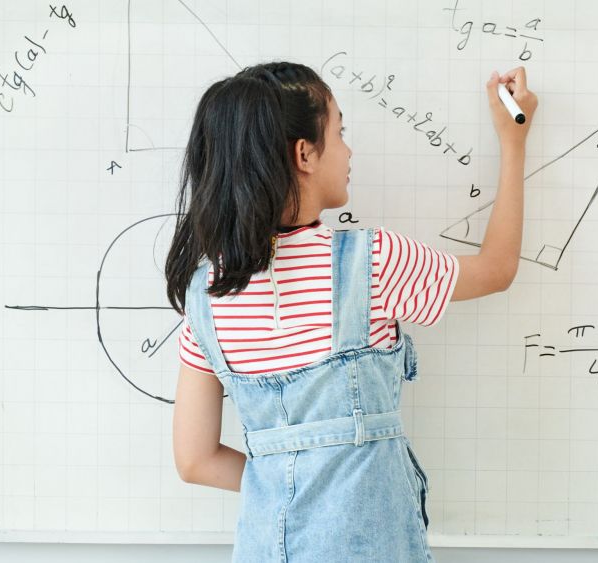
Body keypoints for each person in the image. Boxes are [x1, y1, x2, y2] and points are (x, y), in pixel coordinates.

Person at [164, 61, 536, 561]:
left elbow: (195, 460)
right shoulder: (372, 262)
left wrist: (288, 471)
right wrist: (513, 143)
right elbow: (497, 270)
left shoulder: (208, 293)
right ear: (305, 154)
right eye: (340, 132)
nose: (349, 150)